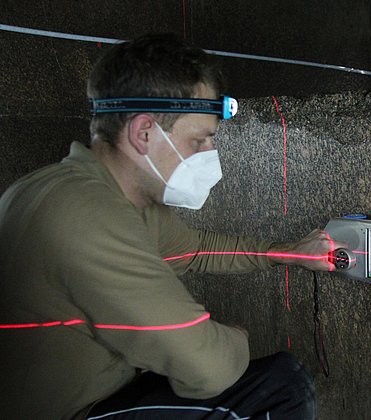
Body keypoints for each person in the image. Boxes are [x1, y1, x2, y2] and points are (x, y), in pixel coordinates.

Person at [0, 33, 337, 419]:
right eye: (199, 141)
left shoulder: (93, 192)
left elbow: (195, 248)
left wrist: (287, 253)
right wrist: (237, 338)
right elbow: (208, 368)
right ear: (144, 134)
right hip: (72, 412)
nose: (211, 157)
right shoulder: (84, 213)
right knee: (282, 386)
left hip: (95, 395)